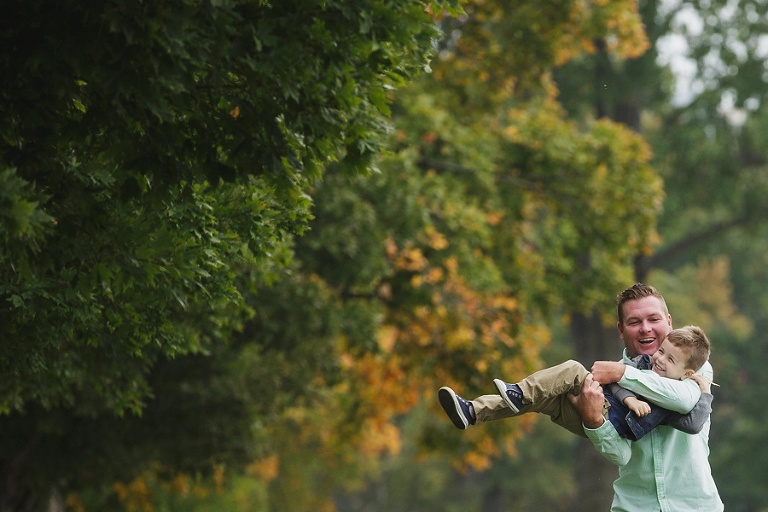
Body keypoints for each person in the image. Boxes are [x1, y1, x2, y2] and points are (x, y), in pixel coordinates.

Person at [440, 283, 723, 511]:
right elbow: (621, 456)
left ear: (669, 322)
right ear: (621, 331)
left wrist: (621, 373)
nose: (646, 328)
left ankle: (512, 396)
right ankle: (476, 410)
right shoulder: (611, 381)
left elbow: (685, 402)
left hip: (695, 506)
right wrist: (593, 419)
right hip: (635, 506)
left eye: (653, 319)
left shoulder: (693, 364)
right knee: (552, 394)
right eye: (634, 322)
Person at [439, 325, 711, 441]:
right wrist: (629, 398)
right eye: (661, 351)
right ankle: (473, 412)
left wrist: (706, 393)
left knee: (572, 368)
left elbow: (694, 423)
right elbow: (616, 381)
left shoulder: (677, 393)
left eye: (670, 360)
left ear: (687, 374)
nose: (660, 359)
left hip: (612, 423)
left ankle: (519, 391)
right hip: (598, 406)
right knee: (544, 398)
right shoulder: (643, 365)